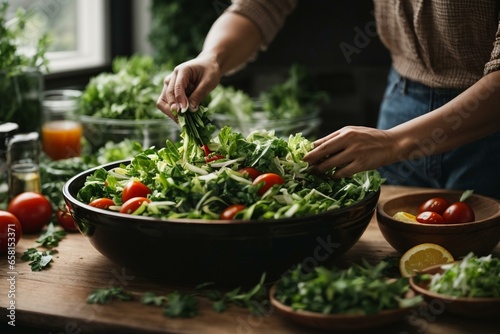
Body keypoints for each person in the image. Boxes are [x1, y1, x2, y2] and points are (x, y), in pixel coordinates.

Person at [157, 0, 500, 199]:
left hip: (486, 127)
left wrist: (395, 142)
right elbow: (262, 4)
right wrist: (212, 57)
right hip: (402, 102)